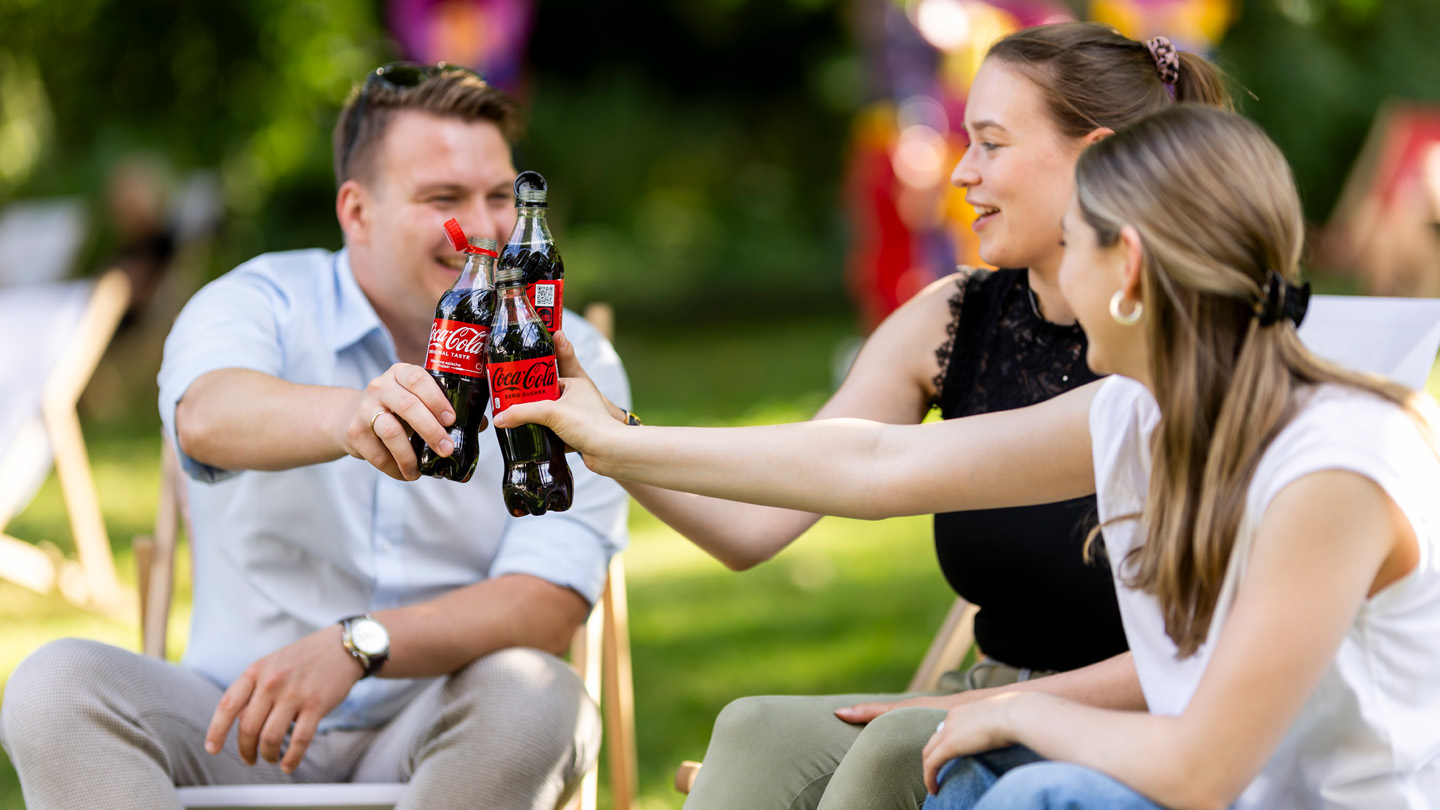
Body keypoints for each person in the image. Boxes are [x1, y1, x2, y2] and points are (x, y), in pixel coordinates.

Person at [498, 104, 1440, 808]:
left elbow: (1202, 765)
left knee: (1030, 794)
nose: (1052, 284)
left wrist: (1017, 709)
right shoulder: (1135, 412)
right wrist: (615, 440)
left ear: (1133, 270)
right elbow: (873, 467)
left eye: (1073, 246)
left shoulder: (1335, 464)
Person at [551, 22, 1227, 810]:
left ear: (1096, 157)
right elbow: (749, 521)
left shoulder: (1187, 355)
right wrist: (609, 438)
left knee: (898, 748)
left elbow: (878, 468)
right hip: (988, 691)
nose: (961, 173)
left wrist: (978, 709)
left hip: (1140, 719)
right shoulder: (957, 316)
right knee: (755, 730)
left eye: (991, 144)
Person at [0, 65, 631, 810]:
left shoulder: (566, 360)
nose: (489, 227)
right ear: (356, 212)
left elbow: (547, 602)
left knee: (539, 696)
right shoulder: (258, 299)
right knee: (55, 685)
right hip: (234, 721)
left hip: (438, 724)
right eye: (443, 199)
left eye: (499, 196)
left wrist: (358, 644)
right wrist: (347, 416)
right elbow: (205, 415)